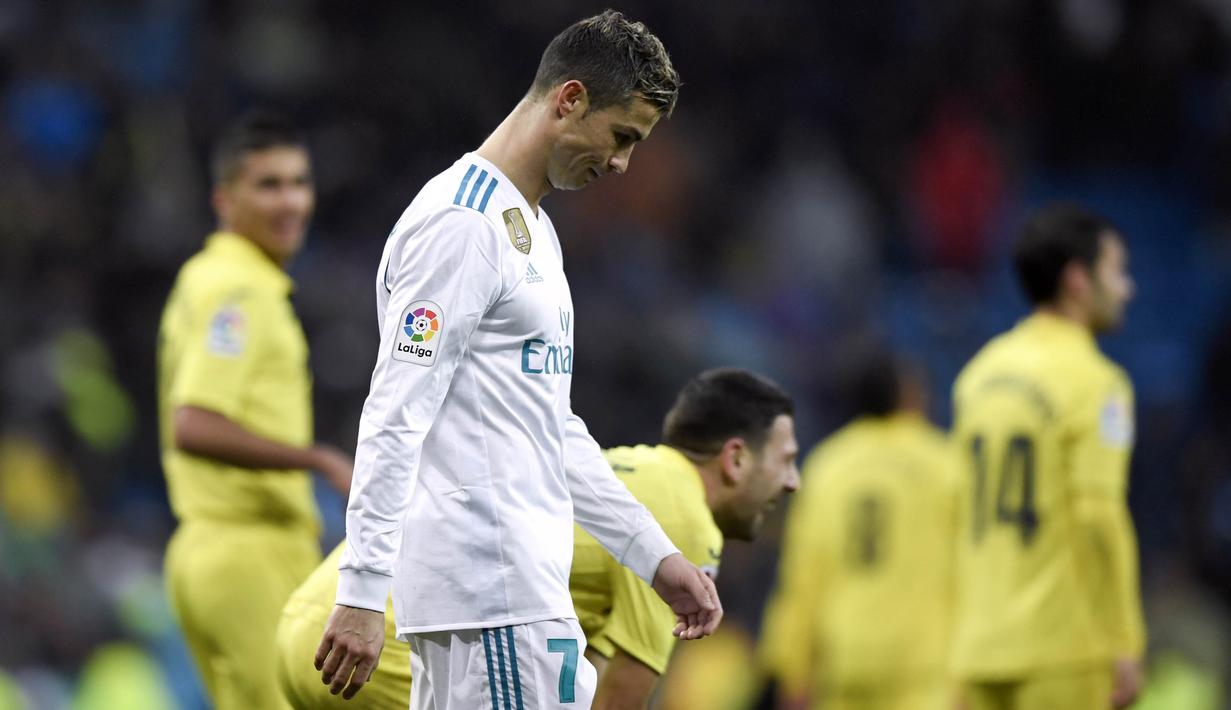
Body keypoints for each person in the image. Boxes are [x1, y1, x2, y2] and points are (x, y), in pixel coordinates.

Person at [315, 11, 721, 709]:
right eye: (622, 136)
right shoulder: (463, 224)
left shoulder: (531, 229)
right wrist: (360, 590)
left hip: (510, 596)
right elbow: (395, 412)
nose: (621, 164)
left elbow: (549, 426)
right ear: (570, 100)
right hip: (493, 595)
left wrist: (653, 556)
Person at [278, 368, 799, 709]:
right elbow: (621, 696)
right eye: (786, 461)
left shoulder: (628, 472)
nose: (794, 481)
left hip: (322, 620)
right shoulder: (685, 521)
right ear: (735, 459)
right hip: (394, 645)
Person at [156, 110, 353, 710]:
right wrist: (318, 460)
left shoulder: (204, 276)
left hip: (207, 552)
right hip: (247, 551)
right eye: (269, 185)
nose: (291, 201)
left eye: (299, 182)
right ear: (225, 199)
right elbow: (193, 424)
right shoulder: (240, 292)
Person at [949, 204, 1145, 709]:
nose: (1127, 289)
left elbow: (956, 515)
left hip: (979, 649)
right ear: (1077, 280)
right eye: (1117, 272)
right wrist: (1125, 637)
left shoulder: (977, 376)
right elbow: (1098, 516)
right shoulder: (1097, 382)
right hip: (1062, 652)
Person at [760, 347, 958, 710]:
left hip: (845, 664)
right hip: (924, 668)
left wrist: (791, 668)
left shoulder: (827, 467)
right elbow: (971, 568)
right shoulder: (944, 464)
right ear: (906, 394)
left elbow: (804, 576)